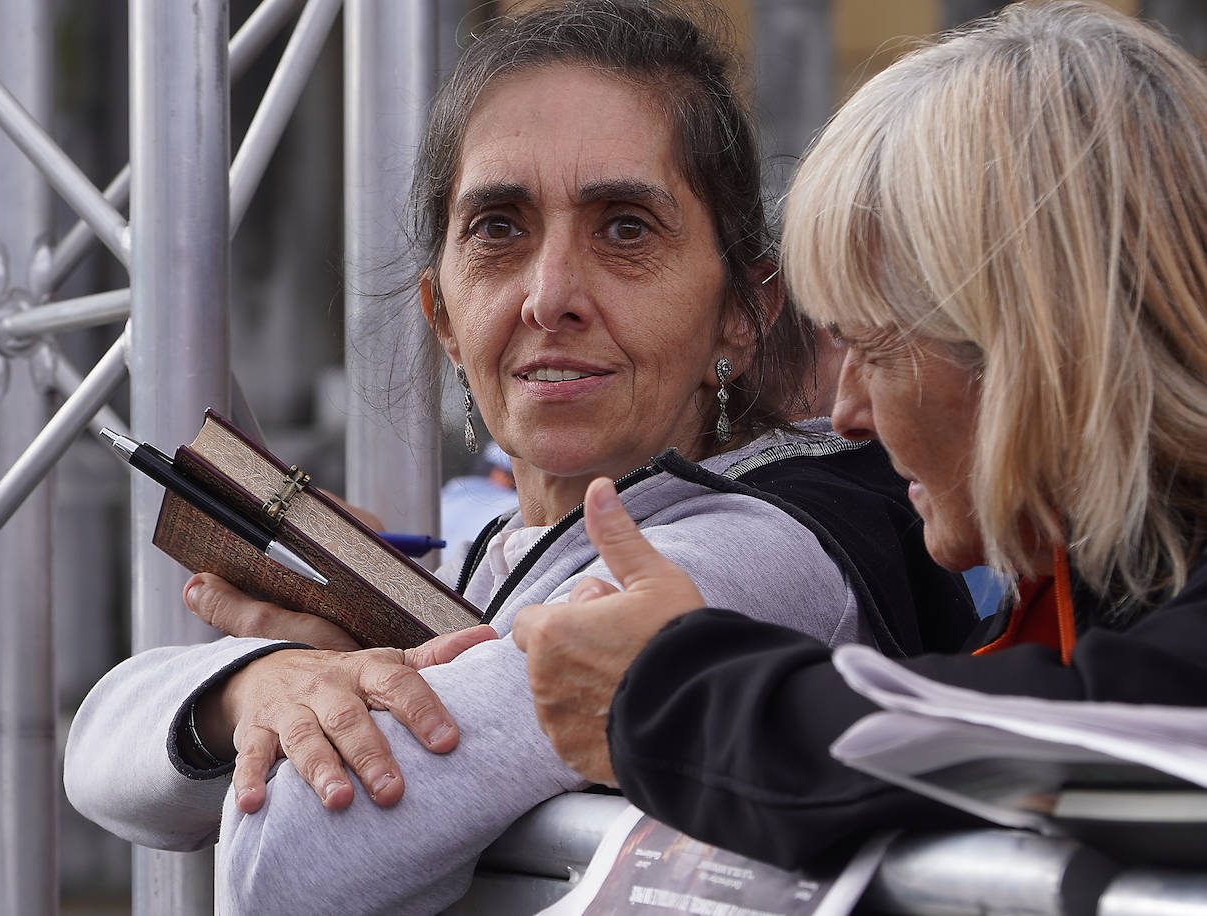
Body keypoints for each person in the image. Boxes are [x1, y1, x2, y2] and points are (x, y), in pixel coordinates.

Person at [63, 1, 973, 911]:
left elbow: (297, 859)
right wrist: (267, 686)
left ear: (742, 311)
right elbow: (95, 748)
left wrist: (338, 713)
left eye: (625, 228)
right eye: (499, 227)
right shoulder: (495, 554)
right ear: (444, 318)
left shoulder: (761, 551)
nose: (551, 297)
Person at [512, 0, 1207, 871]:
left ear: (1037, 350)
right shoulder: (1102, 573)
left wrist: (674, 697)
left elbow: (1136, 756)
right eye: (497, 228)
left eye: (873, 351)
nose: (845, 414)